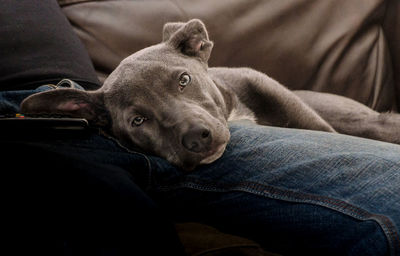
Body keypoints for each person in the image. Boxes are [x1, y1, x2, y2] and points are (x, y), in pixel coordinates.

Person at [1, 1, 399, 256]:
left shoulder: (194, 68)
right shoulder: (108, 120)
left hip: (69, 98)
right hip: (48, 129)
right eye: (140, 118)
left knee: (380, 131)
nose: (192, 131)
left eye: (183, 82)